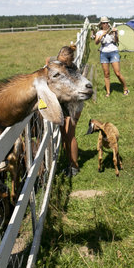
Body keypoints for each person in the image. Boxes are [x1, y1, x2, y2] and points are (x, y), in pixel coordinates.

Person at [56, 45, 83, 177]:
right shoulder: (61, 67)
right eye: (58, 60)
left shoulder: (72, 72)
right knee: (64, 135)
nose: (60, 63)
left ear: (69, 61)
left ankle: (74, 166)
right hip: (64, 105)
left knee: (70, 133)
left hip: (73, 105)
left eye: (62, 61)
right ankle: (69, 164)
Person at [94, 16, 129, 97]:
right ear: (101, 24)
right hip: (103, 53)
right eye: (103, 23)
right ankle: (108, 92)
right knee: (106, 74)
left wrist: (115, 33)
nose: (105, 24)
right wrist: (102, 35)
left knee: (117, 73)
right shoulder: (99, 32)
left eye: (106, 23)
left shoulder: (112, 30)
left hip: (113, 52)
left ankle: (125, 88)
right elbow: (96, 42)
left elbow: (116, 40)